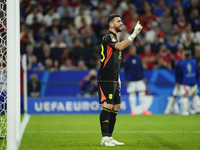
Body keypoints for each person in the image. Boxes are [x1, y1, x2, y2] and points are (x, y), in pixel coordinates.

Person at [97, 14, 142, 146]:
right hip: (106, 77)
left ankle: (110, 137)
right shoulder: (109, 37)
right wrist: (134, 33)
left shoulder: (115, 38)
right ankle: (104, 139)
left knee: (116, 107)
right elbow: (121, 47)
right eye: (118, 21)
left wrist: (118, 77)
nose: (121, 23)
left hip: (114, 77)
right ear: (111, 24)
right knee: (108, 105)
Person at [124, 45, 152, 115]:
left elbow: (141, 68)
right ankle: (133, 110)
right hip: (131, 80)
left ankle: (144, 110)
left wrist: (143, 77)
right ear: (129, 51)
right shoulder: (127, 59)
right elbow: (126, 71)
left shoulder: (138, 58)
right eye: (132, 50)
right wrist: (126, 79)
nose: (133, 51)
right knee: (132, 94)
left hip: (139, 79)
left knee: (142, 93)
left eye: (134, 50)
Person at [177, 50, 200, 115]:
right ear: (190, 56)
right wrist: (196, 79)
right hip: (193, 81)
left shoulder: (181, 63)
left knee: (185, 96)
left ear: (184, 56)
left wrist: (179, 82)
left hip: (185, 82)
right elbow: (197, 72)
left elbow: (180, 73)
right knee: (195, 95)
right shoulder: (194, 62)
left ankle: (185, 111)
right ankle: (197, 109)